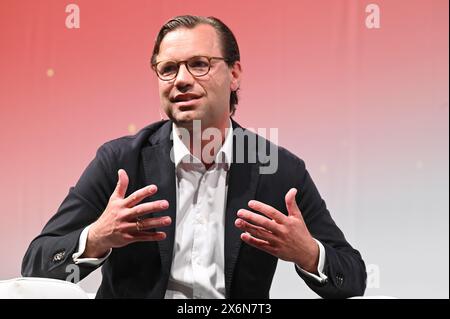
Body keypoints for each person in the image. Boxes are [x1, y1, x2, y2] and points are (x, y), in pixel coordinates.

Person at [22, 15, 366, 299]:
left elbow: (352, 276)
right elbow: (36, 264)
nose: (182, 80)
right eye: (168, 68)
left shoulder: (278, 170)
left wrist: (307, 253)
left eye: (199, 64)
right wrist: (97, 237)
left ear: (234, 74)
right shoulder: (120, 161)